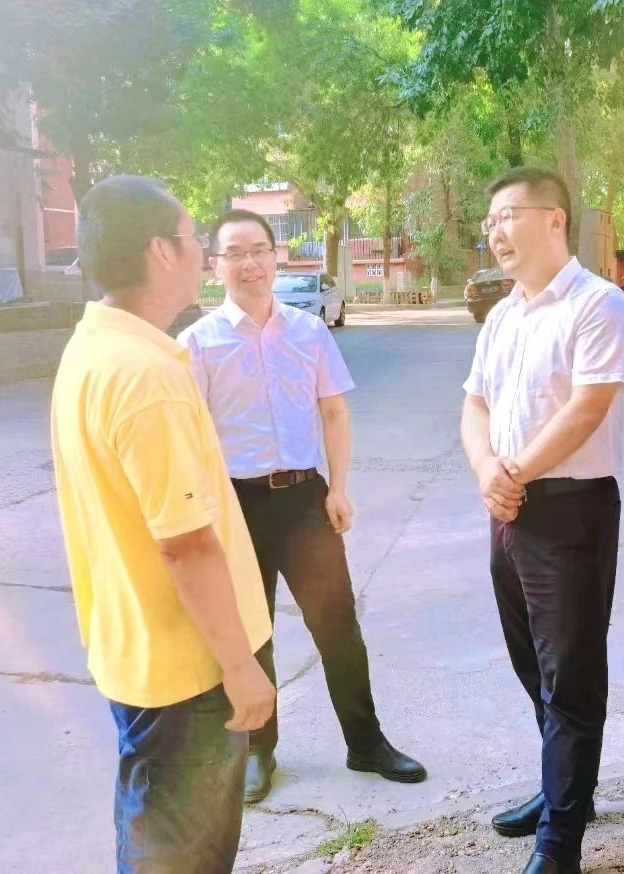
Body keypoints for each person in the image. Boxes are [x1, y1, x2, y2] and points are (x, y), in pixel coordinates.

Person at [50, 176, 275, 873]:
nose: (204, 254)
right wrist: (240, 668)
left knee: (152, 832)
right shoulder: (145, 375)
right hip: (187, 670)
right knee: (181, 856)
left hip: (138, 652)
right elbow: (185, 544)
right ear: (159, 251)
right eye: (192, 239)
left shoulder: (93, 348)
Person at [179, 209, 426, 804]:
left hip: (304, 499)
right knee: (250, 632)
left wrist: (337, 488)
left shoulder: (308, 332)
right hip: (236, 506)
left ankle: (365, 743)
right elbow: (189, 438)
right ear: (215, 265)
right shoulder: (197, 344)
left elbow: (334, 412)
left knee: (337, 625)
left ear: (276, 257)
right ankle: (258, 751)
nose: (249, 263)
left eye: (259, 250)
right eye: (235, 253)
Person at [460, 167, 624, 874]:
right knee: (532, 662)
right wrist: (488, 471)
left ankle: (560, 841)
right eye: (490, 222)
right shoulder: (503, 315)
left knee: (570, 674)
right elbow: (475, 404)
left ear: (555, 219)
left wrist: (513, 475)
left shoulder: (599, 305)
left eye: (507, 216)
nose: (496, 233)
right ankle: (563, 789)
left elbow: (587, 407)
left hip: (571, 509)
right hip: (508, 510)